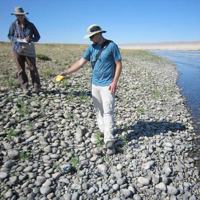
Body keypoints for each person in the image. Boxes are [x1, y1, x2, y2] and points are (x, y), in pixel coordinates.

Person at [58, 24, 122, 155]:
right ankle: (103, 131)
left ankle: (109, 140)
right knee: (99, 110)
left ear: (99, 34)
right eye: (89, 36)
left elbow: (119, 64)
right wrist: (66, 72)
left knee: (108, 111)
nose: (90, 39)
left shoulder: (112, 46)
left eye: (92, 36)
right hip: (95, 84)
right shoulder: (91, 48)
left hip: (108, 84)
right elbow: (80, 63)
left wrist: (115, 82)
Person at [8, 7, 41, 94]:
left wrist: (31, 39)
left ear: (24, 15)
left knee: (33, 68)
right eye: (17, 15)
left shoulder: (31, 25)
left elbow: (37, 37)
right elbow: (10, 36)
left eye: (21, 15)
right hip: (17, 49)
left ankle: (36, 87)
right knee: (20, 69)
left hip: (29, 49)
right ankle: (24, 87)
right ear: (16, 15)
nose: (19, 16)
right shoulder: (13, 25)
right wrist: (15, 39)